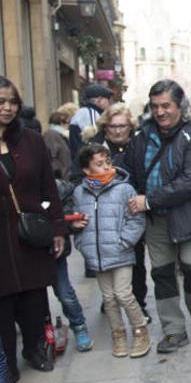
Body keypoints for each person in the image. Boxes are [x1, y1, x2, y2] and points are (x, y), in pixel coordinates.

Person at [123, 79, 191, 354]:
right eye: (155, 106)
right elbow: (131, 172)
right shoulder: (141, 137)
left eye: (166, 105)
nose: (161, 112)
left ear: (179, 106)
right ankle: (173, 330)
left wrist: (148, 200)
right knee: (162, 274)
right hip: (156, 221)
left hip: (189, 217)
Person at [0, 76, 65, 377]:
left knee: (34, 297)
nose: (8, 108)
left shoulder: (30, 140)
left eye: (13, 102)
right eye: (1, 102)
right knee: (3, 302)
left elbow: (48, 189)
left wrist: (58, 228)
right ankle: (7, 366)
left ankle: (35, 348)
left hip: (28, 234)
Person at [72, 145, 150, 358]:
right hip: (96, 254)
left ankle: (140, 329)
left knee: (123, 293)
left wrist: (124, 241)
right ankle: (118, 334)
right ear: (86, 170)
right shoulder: (80, 192)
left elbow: (136, 219)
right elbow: (77, 220)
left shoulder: (123, 189)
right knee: (108, 298)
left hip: (120, 251)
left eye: (108, 162)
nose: (106, 167)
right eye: (99, 164)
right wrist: (80, 241)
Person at [91, 103, 151, 322]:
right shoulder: (94, 146)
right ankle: (110, 299)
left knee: (135, 259)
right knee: (105, 257)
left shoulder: (139, 145)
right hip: (102, 213)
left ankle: (139, 303)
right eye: (113, 126)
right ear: (105, 127)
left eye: (122, 126)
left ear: (130, 126)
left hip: (130, 211)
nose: (117, 130)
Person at [52, 175, 93, 352]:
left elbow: (67, 196)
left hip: (52, 246)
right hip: (22, 247)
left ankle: (79, 326)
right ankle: (40, 336)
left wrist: (67, 223)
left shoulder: (57, 185)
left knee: (64, 291)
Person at [69, 83, 113, 163]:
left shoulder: (83, 112)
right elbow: (94, 143)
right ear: (99, 100)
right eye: (107, 99)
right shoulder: (90, 113)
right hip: (87, 163)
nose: (108, 103)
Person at [43, 111, 73, 180]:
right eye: (68, 123)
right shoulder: (51, 135)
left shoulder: (61, 135)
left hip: (65, 176)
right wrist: (58, 174)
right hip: (60, 178)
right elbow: (52, 156)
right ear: (61, 123)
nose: (69, 126)